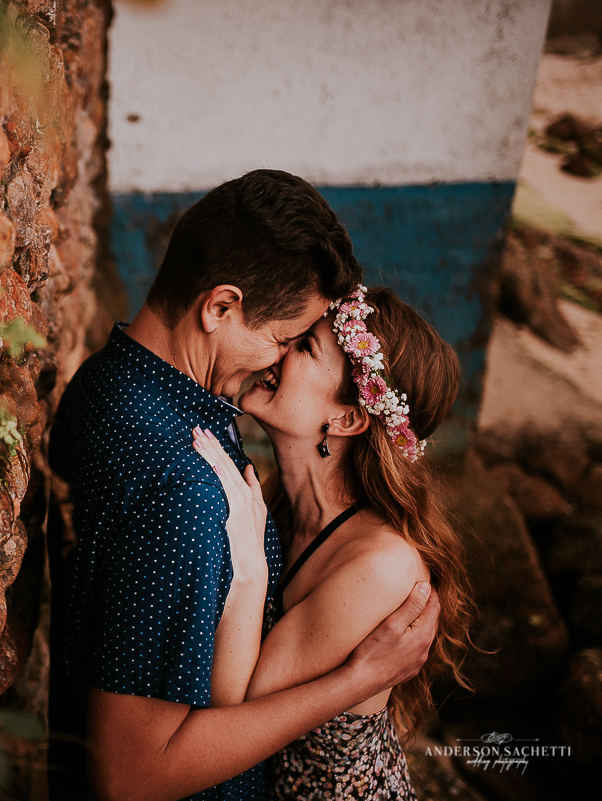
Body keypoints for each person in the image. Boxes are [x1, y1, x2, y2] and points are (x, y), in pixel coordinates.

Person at [47, 169, 441, 801]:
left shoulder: (107, 385)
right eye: (284, 339)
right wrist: (355, 675)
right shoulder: (191, 488)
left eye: (298, 348)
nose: (277, 360)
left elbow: (227, 688)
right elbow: (134, 773)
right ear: (221, 307)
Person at [190, 285, 473, 799]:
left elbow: (233, 713)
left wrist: (250, 569)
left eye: (305, 347)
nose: (279, 347)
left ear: (346, 419)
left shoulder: (381, 567)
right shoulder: (277, 498)